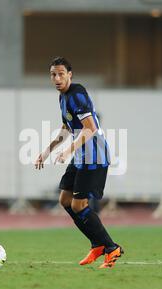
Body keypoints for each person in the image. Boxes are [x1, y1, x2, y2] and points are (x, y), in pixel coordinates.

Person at [35, 57, 123, 268]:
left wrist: (68, 150)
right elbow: (66, 127)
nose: (57, 78)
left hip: (94, 157)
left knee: (78, 204)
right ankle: (97, 245)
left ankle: (111, 248)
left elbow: (90, 128)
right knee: (65, 200)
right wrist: (47, 151)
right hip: (80, 156)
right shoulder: (63, 98)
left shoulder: (77, 94)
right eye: (53, 75)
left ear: (70, 75)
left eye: (61, 74)